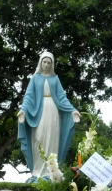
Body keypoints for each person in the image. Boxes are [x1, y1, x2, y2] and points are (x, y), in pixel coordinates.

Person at [18, 51, 80, 179]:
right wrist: (23, 110)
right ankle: (38, 171)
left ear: (52, 64)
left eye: (49, 62)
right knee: (38, 138)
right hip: (39, 112)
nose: (46, 64)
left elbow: (62, 97)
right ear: (41, 63)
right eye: (44, 62)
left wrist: (72, 110)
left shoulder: (55, 79)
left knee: (52, 139)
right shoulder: (35, 78)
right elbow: (29, 96)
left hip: (52, 110)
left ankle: (51, 171)